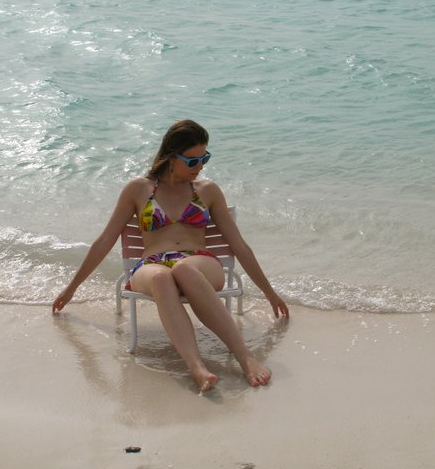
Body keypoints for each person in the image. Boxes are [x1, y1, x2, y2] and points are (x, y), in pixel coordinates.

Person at [53, 119, 289, 393]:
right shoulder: (138, 189)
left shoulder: (207, 191)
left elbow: (239, 244)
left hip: (199, 262)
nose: (200, 166)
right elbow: (105, 240)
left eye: (205, 158)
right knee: (165, 276)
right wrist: (72, 288)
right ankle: (196, 367)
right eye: (193, 161)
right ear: (170, 157)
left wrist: (270, 292)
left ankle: (246, 358)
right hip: (152, 266)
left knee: (184, 270)